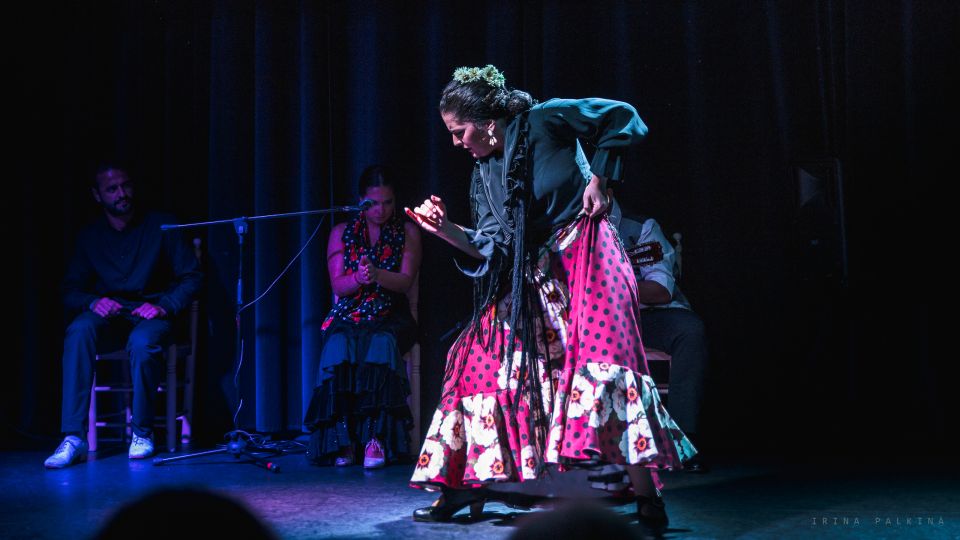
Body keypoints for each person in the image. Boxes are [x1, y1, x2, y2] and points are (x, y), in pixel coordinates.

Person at [405, 65, 696, 528]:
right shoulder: (484, 174)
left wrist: (601, 180)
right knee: (473, 358)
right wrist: (446, 231)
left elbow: (623, 117)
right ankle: (459, 489)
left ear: (486, 122)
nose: (457, 143)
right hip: (532, 275)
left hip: (587, 254)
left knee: (604, 365)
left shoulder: (546, 120)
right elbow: (494, 246)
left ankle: (646, 497)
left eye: (459, 132)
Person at [45, 165, 202, 468]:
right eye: (112, 189)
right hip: (111, 318)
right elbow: (69, 289)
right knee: (79, 331)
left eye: (125, 186)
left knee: (143, 343)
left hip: (152, 314)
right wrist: (93, 301)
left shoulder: (161, 225)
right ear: (97, 195)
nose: (121, 194)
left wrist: (164, 305)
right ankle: (74, 437)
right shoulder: (90, 235)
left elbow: (191, 277)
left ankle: (142, 433)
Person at [303, 165, 422, 469]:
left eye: (388, 202)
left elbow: (405, 281)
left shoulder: (407, 231)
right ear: (360, 201)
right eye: (373, 203)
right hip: (351, 311)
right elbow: (338, 286)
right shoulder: (341, 233)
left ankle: (376, 438)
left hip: (391, 312)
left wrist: (378, 274)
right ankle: (342, 441)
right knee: (338, 345)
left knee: (380, 343)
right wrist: (358, 277)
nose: (381, 210)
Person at [612, 203, 709, 473]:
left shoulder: (639, 227)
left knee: (689, 330)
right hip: (593, 320)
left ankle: (682, 442)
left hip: (647, 316)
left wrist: (614, 283)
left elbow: (661, 289)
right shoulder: (568, 227)